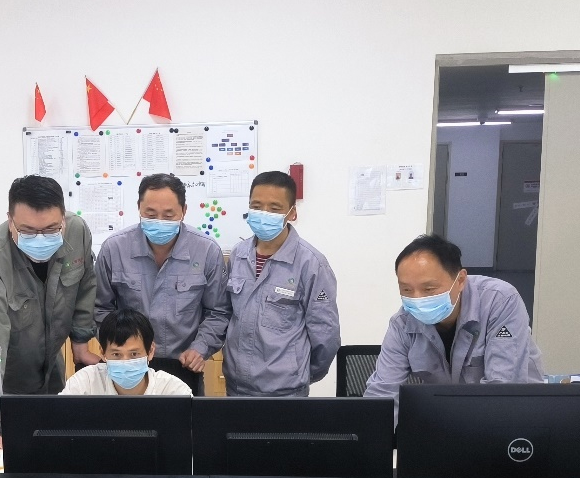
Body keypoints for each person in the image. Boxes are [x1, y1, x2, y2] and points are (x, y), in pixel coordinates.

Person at [0, 175, 100, 447]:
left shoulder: (77, 231)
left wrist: (81, 344)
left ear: (63, 218)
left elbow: (86, 286)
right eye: (27, 230)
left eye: (51, 229)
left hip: (53, 375)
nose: (40, 238)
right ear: (10, 221)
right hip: (7, 386)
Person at [364, 233, 545, 412]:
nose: (417, 299)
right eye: (406, 289)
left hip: (515, 418)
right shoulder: (402, 323)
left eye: (429, 289)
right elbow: (383, 393)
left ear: (460, 280)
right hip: (447, 419)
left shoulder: (500, 300)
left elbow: (502, 389)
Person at [94, 173, 229, 394]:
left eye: (168, 215)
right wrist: (119, 350)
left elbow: (218, 312)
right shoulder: (114, 249)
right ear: (138, 208)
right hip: (128, 366)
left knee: (183, 416)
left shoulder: (206, 251)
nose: (159, 221)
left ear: (184, 211)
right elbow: (100, 308)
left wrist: (200, 348)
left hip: (183, 364)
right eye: (150, 214)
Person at [223, 170, 340, 397]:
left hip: (286, 392)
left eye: (274, 208)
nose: (263, 214)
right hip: (236, 387)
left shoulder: (311, 263)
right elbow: (227, 314)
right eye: (256, 206)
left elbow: (326, 334)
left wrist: (300, 373)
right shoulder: (238, 255)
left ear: (292, 213)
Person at [62, 309, 193, 396]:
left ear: (150, 351)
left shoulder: (173, 391)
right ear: (103, 353)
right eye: (116, 354)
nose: (125, 362)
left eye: (134, 354)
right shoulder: (84, 383)